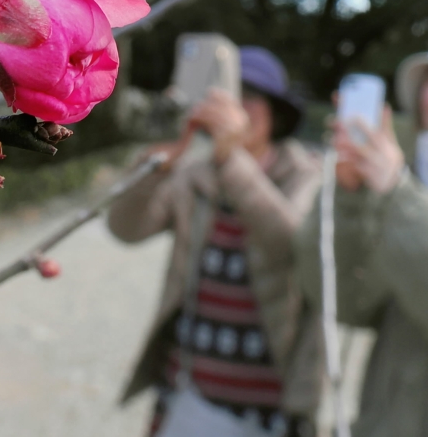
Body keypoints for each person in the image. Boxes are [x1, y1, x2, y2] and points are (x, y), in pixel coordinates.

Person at [296, 29, 428, 437]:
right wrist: (352, 196)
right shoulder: (411, 187)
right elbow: (347, 302)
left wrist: (396, 191)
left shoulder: (406, 193)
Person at [107, 45, 323, 437]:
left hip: (266, 401)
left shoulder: (304, 174)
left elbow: (294, 247)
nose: (236, 106)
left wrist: (232, 162)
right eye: (229, 92)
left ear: (275, 112)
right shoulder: (195, 175)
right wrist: (154, 167)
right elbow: (126, 229)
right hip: (187, 389)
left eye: (251, 96)